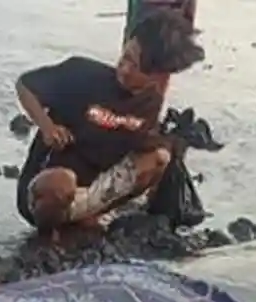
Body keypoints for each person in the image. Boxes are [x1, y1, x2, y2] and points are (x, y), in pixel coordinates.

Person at [14, 9, 204, 235]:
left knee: (160, 158)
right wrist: (47, 126)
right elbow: (25, 85)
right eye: (126, 57)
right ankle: (49, 235)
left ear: (158, 76)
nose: (124, 69)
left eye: (136, 67)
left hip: (92, 192)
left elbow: (143, 146)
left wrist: (168, 156)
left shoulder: (151, 103)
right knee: (61, 182)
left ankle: (92, 215)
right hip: (44, 191)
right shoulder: (81, 73)